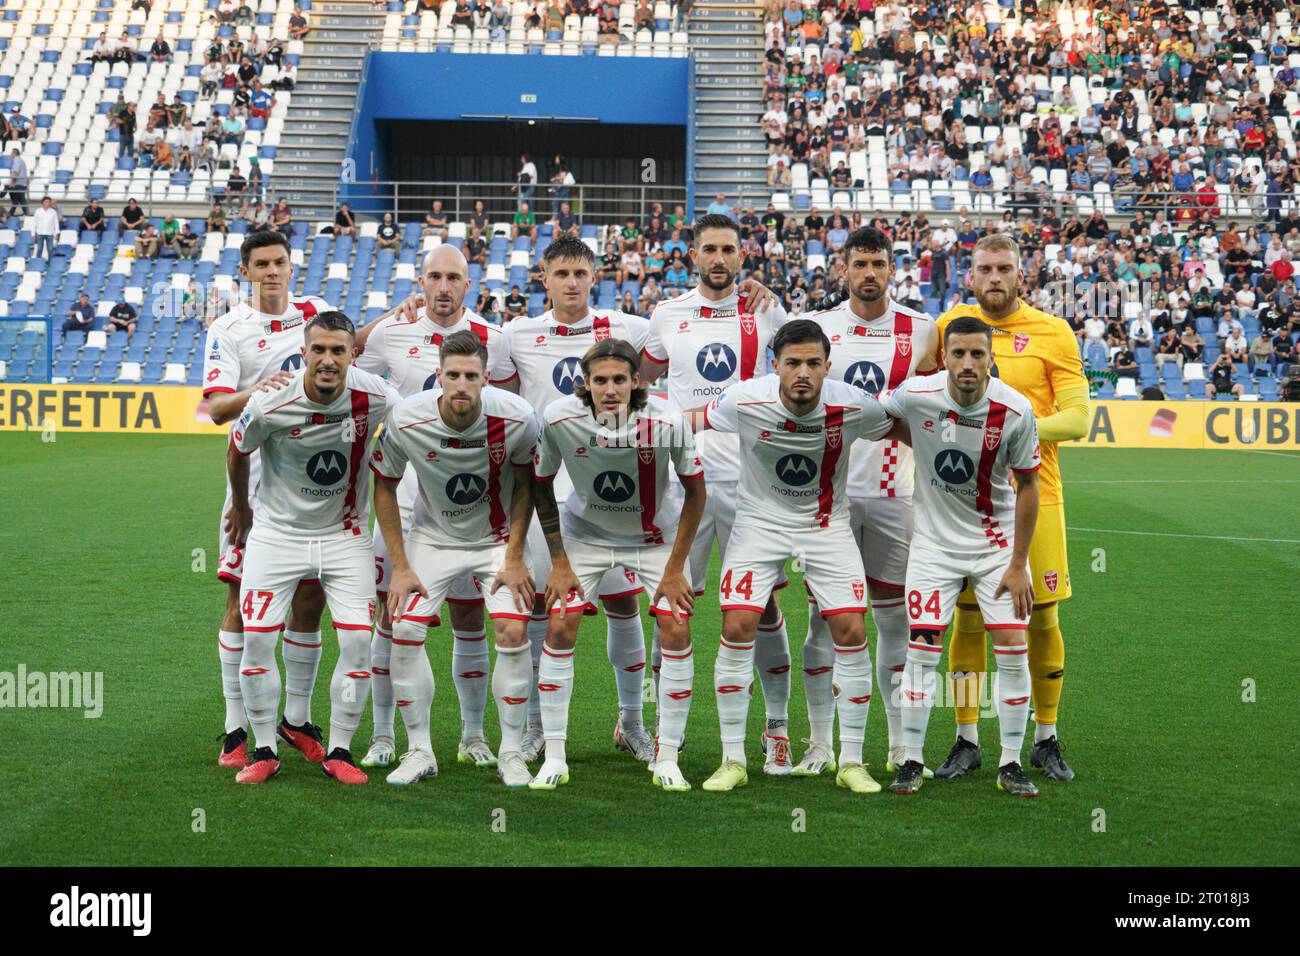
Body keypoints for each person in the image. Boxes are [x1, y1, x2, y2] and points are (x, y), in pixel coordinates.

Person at [681, 320, 899, 793]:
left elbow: (902, 426)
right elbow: (691, 418)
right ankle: (733, 759)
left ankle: (852, 760)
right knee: (738, 623)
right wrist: (625, 424)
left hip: (826, 526)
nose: (803, 373)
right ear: (774, 365)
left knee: (852, 629)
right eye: (793, 363)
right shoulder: (744, 399)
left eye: (814, 364)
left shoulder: (853, 403)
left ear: (828, 367)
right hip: (758, 524)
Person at [639, 215, 799, 773]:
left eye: (728, 249)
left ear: (742, 255)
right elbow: (640, 380)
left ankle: (776, 727)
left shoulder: (767, 311)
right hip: (683, 483)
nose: (718, 259)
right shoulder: (665, 316)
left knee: (762, 605)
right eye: (709, 249)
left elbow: (797, 380)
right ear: (692, 255)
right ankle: (665, 726)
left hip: (753, 485)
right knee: (670, 601)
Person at [351, 245, 518, 770]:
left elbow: (507, 414)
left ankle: (472, 736)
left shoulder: (494, 340)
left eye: (453, 278)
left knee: (471, 614)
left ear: (468, 285)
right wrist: (384, 315)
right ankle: (384, 737)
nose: (442, 287)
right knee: (391, 615)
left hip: (469, 504)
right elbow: (347, 359)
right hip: (399, 498)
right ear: (419, 283)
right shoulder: (389, 334)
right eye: (433, 277)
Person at [933, 233, 1089, 782]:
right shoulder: (950, 327)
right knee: (968, 622)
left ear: (1019, 275)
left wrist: (1006, 433)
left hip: (1034, 495)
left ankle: (1046, 737)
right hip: (963, 502)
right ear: (969, 275)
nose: (994, 277)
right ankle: (967, 737)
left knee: (1041, 616)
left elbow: (1077, 418)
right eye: (984, 269)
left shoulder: (1053, 332)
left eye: (1004, 268)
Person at [224, 310, 401, 784]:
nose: (327, 360)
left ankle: (340, 750)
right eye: (318, 350)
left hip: (344, 537)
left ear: (353, 355)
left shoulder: (377, 396)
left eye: (337, 350)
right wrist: (241, 507)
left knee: (359, 641)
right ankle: (263, 748)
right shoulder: (270, 403)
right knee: (259, 639)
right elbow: (237, 446)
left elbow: (414, 428)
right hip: (276, 535)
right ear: (303, 353)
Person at [529, 338, 706, 791]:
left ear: (638, 381)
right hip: (585, 536)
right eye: (601, 380)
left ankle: (667, 756)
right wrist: (559, 560)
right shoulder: (559, 418)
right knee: (560, 623)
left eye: (620, 380)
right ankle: (554, 755)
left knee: (677, 626)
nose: (611, 389)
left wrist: (675, 568)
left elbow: (696, 492)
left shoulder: (667, 421)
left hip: (652, 540)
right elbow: (540, 484)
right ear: (585, 384)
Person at [878, 316, 1041, 798]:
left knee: (1013, 649)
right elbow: (875, 415)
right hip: (933, 549)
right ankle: (910, 759)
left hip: (996, 551)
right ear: (943, 357)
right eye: (958, 354)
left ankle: (1011, 762)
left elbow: (1029, 486)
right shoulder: (918, 393)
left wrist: (1018, 564)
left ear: (992, 357)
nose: (967, 364)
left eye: (977, 354)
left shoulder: (1015, 410)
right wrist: (918, 440)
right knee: (921, 652)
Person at [371, 331, 537, 787]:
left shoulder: (518, 418)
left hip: (496, 540)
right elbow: (384, 483)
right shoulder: (407, 418)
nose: (461, 384)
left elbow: (528, 484)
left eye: (471, 376)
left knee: (513, 627)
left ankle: (511, 753)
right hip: (433, 537)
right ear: (438, 377)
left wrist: (516, 554)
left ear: (486, 378)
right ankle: (420, 749)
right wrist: (401, 566)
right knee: (403, 626)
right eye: (452, 375)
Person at [804, 226, 939, 779]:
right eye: (858, 263)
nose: (868, 273)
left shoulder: (921, 330)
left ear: (891, 269)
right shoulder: (821, 329)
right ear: (843, 267)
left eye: (878, 264)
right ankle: (819, 745)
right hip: (829, 500)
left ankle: (900, 747)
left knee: (895, 624)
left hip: (894, 496)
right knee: (822, 621)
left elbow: (933, 407)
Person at [201, 231, 336, 770]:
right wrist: (258, 390)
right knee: (239, 600)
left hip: (313, 484)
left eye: (280, 262)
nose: (273, 272)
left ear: (291, 265)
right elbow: (215, 409)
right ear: (246, 271)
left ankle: (295, 720)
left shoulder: (319, 312)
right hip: (253, 485)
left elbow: (348, 354)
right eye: (262, 264)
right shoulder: (229, 328)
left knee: (310, 600)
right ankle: (237, 728)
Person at [32, 196, 60, 262]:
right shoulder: (38, 211)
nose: (47, 203)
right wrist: (33, 234)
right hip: (39, 233)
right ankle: (38, 262)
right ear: (42, 203)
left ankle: (50, 263)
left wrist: (57, 233)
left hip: (50, 233)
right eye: (46, 202)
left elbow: (56, 223)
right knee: (39, 249)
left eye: (48, 202)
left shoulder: (53, 212)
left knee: (50, 249)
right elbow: (34, 223)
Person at [6, 148, 28, 217]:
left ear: (15, 153)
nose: (10, 154)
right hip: (21, 183)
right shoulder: (19, 160)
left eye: (12, 153)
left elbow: (16, 173)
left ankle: (26, 214)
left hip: (19, 183)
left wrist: (12, 183)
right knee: (19, 199)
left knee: (20, 199)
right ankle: (12, 213)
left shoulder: (17, 160)